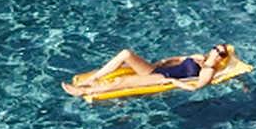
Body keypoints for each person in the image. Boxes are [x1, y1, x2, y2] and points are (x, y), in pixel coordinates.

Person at [62, 44, 236, 97]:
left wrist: (173, 82)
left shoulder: (208, 70)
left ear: (221, 57)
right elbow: (177, 59)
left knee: (122, 82)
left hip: (162, 77)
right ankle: (95, 78)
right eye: (215, 47)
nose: (215, 51)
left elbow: (195, 87)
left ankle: (84, 90)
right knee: (125, 54)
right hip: (157, 69)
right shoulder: (199, 57)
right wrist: (164, 61)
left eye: (219, 51)